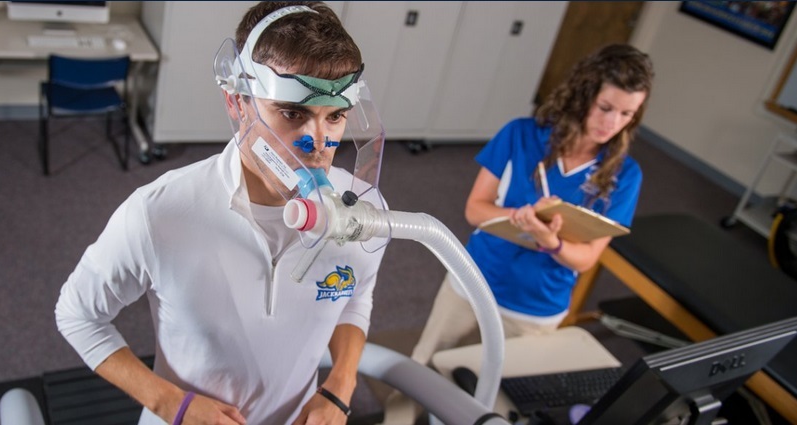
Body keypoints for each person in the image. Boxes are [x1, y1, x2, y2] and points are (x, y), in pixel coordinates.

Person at [55, 2, 389, 425]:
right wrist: (170, 404)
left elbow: (354, 297)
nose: (317, 144)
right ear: (237, 103)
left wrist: (339, 389)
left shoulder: (361, 211)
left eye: (335, 116)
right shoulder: (160, 212)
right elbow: (77, 313)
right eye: (292, 113)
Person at [382, 44, 654, 424]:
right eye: (605, 108)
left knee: (502, 398)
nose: (612, 123)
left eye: (626, 114)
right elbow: (475, 209)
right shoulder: (522, 135)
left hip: (537, 305)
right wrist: (518, 216)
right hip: (474, 280)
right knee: (421, 369)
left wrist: (553, 242)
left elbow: (588, 257)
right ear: (583, 93)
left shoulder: (626, 175)